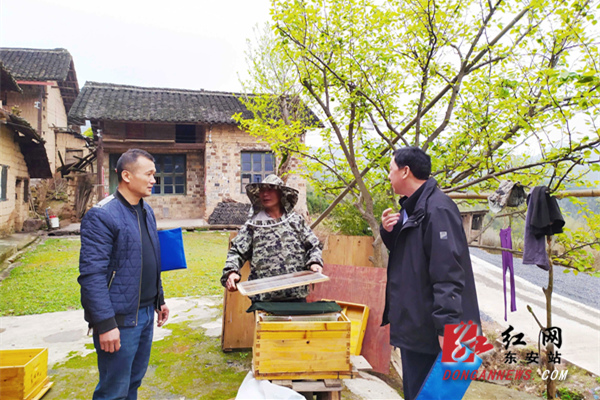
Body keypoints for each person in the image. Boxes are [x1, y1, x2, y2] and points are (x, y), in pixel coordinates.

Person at [380, 147, 481, 400]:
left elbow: (448, 273)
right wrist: (389, 232)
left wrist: (447, 330)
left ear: (405, 171)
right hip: (417, 323)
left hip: (433, 328)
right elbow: (410, 258)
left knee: (433, 394)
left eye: (391, 170)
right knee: (417, 392)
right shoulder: (412, 208)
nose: (389, 176)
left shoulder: (438, 210)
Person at [78, 148, 169, 400]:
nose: (154, 180)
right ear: (127, 176)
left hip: (145, 313)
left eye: (154, 174)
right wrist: (105, 323)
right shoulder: (102, 215)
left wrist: (158, 299)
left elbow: (148, 258)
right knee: (113, 390)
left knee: (133, 382)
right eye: (149, 174)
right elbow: (91, 275)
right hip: (119, 319)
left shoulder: (146, 210)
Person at [221, 174, 323, 302]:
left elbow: (313, 246)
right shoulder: (253, 225)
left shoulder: (296, 221)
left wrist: (315, 262)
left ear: (281, 194)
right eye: (262, 190)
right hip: (264, 298)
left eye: (270, 189)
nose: (265, 194)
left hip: (296, 295)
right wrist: (231, 272)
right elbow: (236, 252)